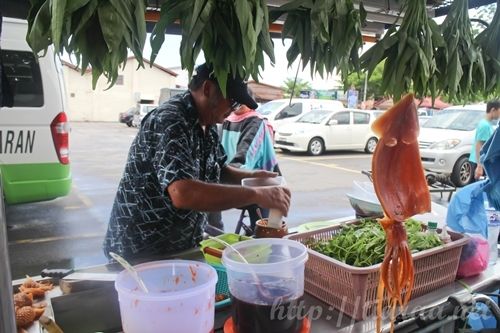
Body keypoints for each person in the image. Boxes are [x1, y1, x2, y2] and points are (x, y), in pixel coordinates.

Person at [103, 63, 291, 260]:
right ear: (208, 89)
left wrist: (255, 178)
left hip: (179, 247)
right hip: (141, 251)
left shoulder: (207, 124)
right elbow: (183, 193)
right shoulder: (170, 120)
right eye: (232, 102)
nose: (232, 110)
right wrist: (255, 194)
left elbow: (219, 171)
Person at [207, 92, 280, 233]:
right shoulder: (239, 120)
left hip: (242, 181)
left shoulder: (243, 121)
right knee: (267, 228)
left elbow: (243, 157)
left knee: (267, 222)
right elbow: (242, 159)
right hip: (244, 182)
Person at [470, 100, 500, 180]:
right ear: (493, 110)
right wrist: (479, 166)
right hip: (479, 163)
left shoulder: (487, 124)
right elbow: (479, 145)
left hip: (480, 162)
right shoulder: (485, 125)